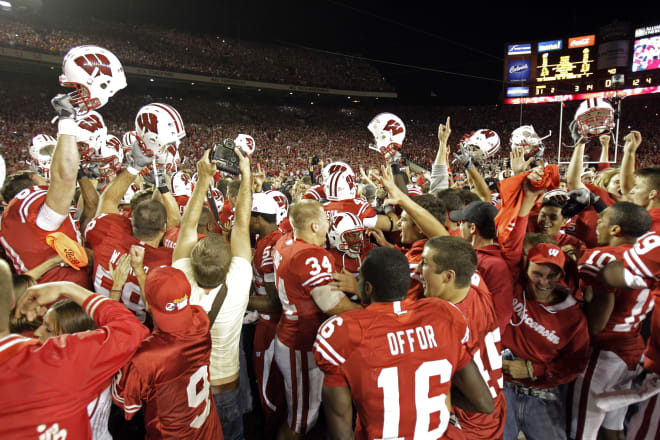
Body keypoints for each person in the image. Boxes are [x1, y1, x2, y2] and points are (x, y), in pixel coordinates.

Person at [313, 247, 494, 440]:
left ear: (368, 288)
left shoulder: (344, 333)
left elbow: (339, 429)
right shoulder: (443, 316)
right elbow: (484, 403)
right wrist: (430, 393)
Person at [1, 259, 149, 439]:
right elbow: (130, 330)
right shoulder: (64, 363)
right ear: (11, 303)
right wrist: (67, 288)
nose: (38, 333)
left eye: (48, 329)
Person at [172, 149, 253, 440]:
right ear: (228, 265)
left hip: (186, 389)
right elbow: (242, 224)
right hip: (225, 387)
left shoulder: (180, 280)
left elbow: (187, 226)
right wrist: (247, 175)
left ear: (192, 264)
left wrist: (203, 180)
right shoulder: (239, 281)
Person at [272, 199, 361, 439]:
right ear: (313, 226)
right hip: (301, 344)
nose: (328, 224)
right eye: (324, 218)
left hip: (290, 334)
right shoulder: (311, 255)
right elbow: (333, 305)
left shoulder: (285, 241)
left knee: (309, 414)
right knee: (300, 422)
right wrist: (371, 311)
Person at [570, 203, 654, 440]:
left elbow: (596, 322)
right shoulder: (646, 259)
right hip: (633, 346)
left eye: (603, 219)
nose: (597, 223)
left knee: (582, 429)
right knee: (613, 426)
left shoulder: (601, 256)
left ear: (616, 229)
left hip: (603, 351)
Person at [111, 265, 223, 439]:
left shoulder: (145, 358)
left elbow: (126, 406)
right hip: (209, 432)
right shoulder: (200, 320)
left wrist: (115, 291)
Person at [421, 236, 506, 439]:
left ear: (448, 276)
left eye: (425, 263)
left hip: (469, 423)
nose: (418, 270)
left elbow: (481, 403)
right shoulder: (475, 283)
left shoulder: (450, 327)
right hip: (494, 410)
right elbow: (454, 252)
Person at [34, 299, 113, 440]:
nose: (37, 332)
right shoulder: (103, 361)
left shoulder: (60, 385)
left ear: (72, 338)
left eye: (48, 329)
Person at [247, 191, 286, 438]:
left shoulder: (269, 246)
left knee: (269, 389)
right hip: (278, 325)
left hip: (271, 326)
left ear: (259, 219)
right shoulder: (278, 237)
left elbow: (275, 302)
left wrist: (239, 298)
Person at [449, 200, 515, 330]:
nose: (459, 227)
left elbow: (502, 314)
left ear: (473, 228)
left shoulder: (495, 265)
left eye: (462, 223)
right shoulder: (472, 255)